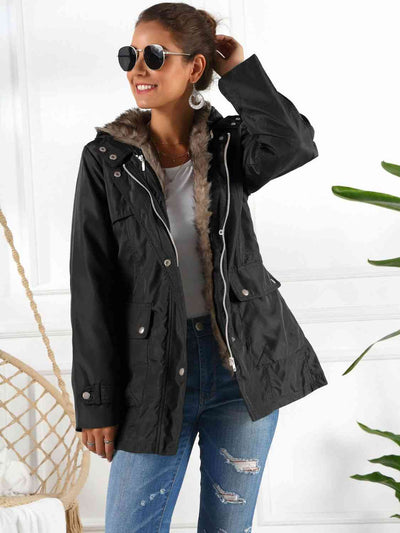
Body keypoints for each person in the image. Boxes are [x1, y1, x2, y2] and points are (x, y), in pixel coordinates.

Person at [69, 2, 328, 531]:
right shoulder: (107, 160)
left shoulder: (231, 144)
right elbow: (91, 283)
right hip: (152, 372)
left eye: (154, 55)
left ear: (194, 67)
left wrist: (239, 71)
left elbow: (295, 144)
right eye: (129, 56)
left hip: (241, 367)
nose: (137, 69)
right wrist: (96, 402)